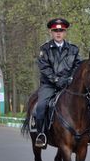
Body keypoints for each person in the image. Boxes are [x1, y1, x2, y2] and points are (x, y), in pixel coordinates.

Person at [35, 18, 82, 147]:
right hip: (49, 85)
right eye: (55, 30)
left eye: (61, 30)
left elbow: (78, 67)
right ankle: (41, 134)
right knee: (41, 106)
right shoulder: (44, 49)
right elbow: (44, 68)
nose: (58, 33)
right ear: (51, 32)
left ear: (65, 32)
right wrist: (56, 80)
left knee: (88, 103)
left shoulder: (74, 49)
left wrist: (70, 79)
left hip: (68, 84)